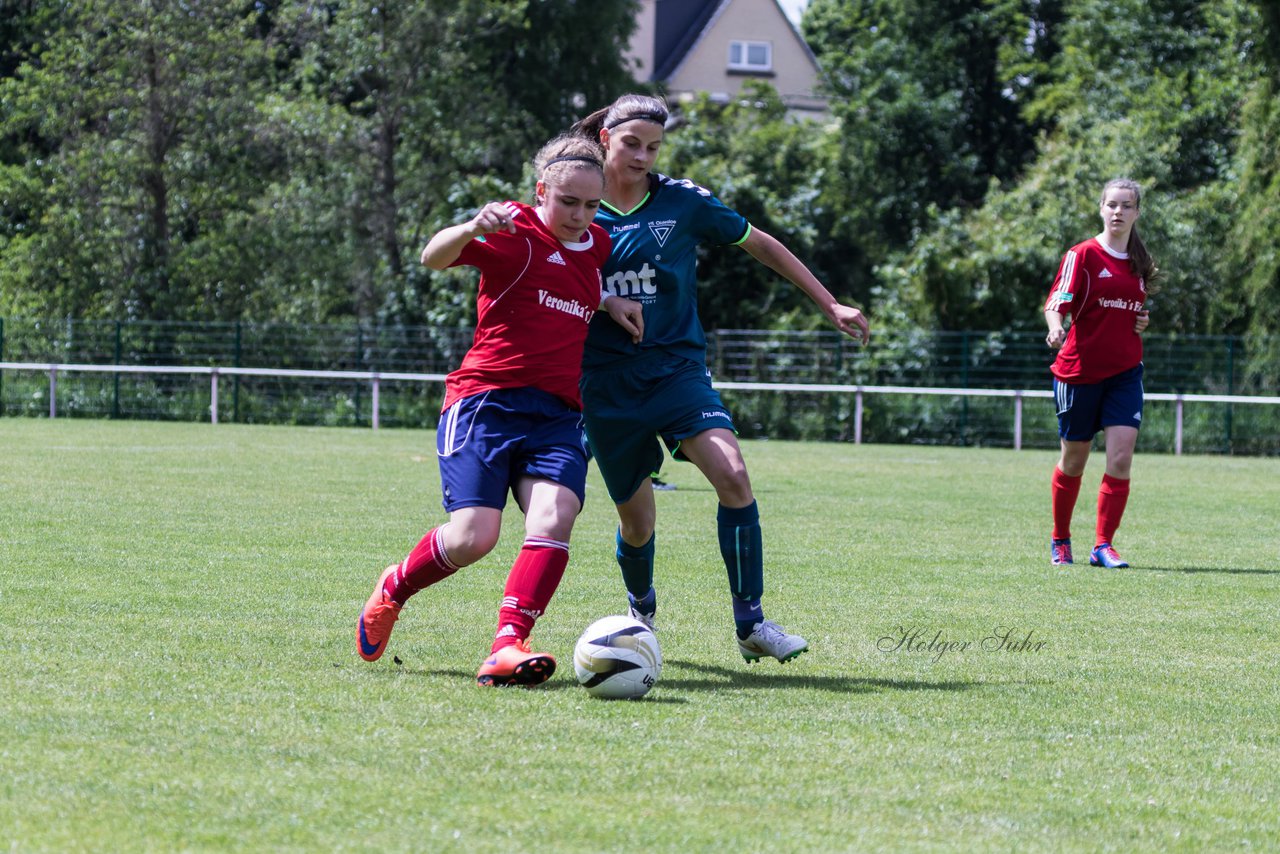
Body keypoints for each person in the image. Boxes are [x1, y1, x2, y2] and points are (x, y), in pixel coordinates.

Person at [570, 94, 870, 664]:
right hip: (605, 384)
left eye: (653, 146)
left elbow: (761, 244)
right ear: (605, 139)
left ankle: (751, 622)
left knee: (733, 475)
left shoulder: (683, 202)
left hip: (678, 371)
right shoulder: (576, 203)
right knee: (637, 523)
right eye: (632, 143)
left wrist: (831, 305)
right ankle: (640, 608)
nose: (642, 155)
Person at [356, 135, 643, 686]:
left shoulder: (599, 244)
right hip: (485, 403)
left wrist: (607, 301)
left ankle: (508, 643)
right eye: (568, 203)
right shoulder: (513, 231)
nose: (580, 216)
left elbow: (576, 277)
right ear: (542, 192)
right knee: (473, 538)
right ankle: (394, 587)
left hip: (557, 415)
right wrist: (470, 228)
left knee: (555, 517)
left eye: (590, 205)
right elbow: (432, 256)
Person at [1044, 177, 1155, 569]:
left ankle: (1103, 545)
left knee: (1121, 458)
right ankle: (1060, 540)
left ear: (1137, 212)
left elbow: (1134, 307)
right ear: (1101, 208)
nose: (1118, 212)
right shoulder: (1083, 254)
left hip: (1125, 373)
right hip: (1079, 372)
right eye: (1112, 205)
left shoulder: (1141, 263)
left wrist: (1142, 319)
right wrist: (1056, 326)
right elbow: (1056, 301)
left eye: (1126, 206)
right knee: (1075, 459)